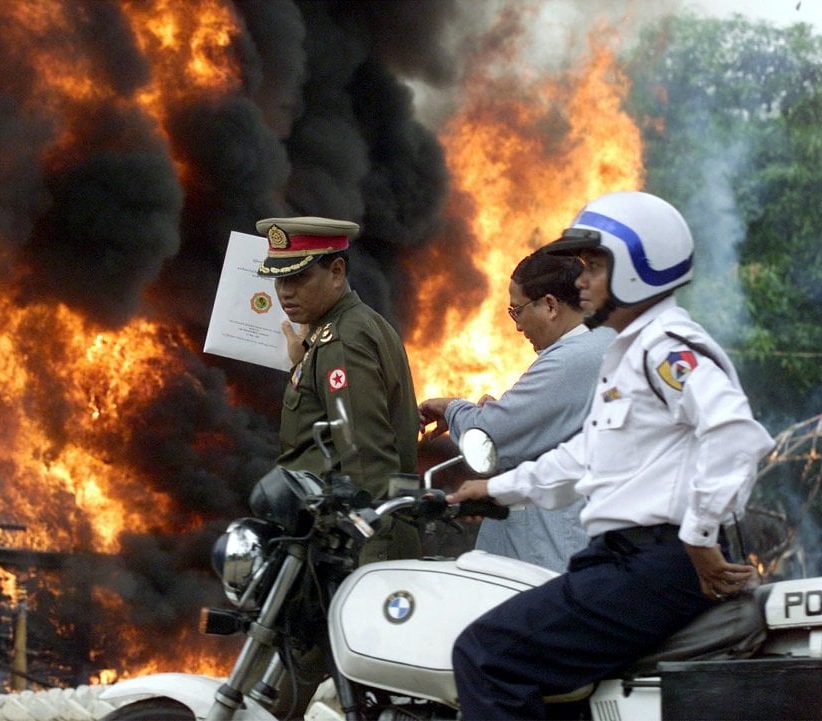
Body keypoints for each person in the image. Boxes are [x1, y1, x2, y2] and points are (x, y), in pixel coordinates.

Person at [447, 191, 775, 720]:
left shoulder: (668, 348)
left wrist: (699, 534)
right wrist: (495, 489)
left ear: (641, 269)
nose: (581, 281)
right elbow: (586, 458)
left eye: (596, 266)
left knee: (486, 655)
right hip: (622, 557)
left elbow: (736, 434)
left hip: (656, 561)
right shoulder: (627, 352)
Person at [418, 251, 615, 571]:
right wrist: (509, 415)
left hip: (546, 551)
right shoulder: (599, 342)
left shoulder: (572, 358)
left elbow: (490, 436)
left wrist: (453, 408)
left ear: (550, 305)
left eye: (517, 311)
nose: (517, 326)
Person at [255, 215, 422, 563]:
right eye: (278, 279)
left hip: (355, 547)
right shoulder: (348, 327)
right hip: (342, 540)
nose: (285, 291)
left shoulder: (342, 341)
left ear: (336, 272)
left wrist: (370, 565)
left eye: (298, 276)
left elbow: (367, 462)